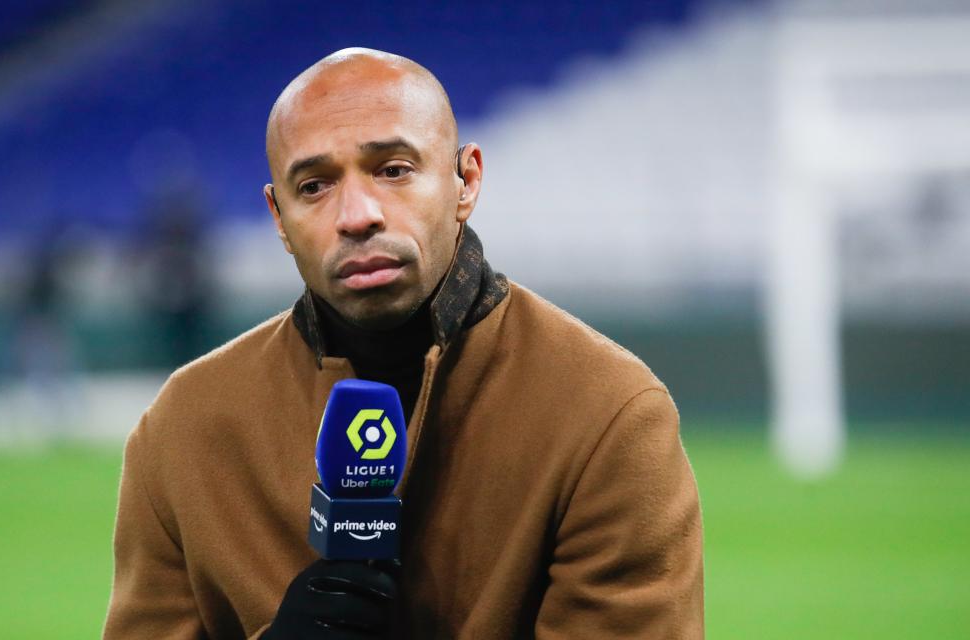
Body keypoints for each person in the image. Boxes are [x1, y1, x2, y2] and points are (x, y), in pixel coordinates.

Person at [103, 48, 703, 639]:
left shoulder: (608, 415)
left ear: (464, 180)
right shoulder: (182, 428)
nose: (358, 214)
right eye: (314, 186)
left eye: (393, 170)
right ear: (279, 219)